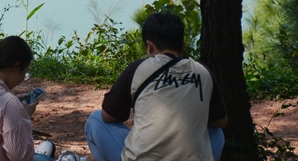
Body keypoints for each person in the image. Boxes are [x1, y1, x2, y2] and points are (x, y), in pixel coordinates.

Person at [84, 12, 227, 161]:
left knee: (95, 120)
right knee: (216, 133)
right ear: (183, 47)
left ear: (150, 46)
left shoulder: (138, 68)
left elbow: (107, 116)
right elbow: (221, 121)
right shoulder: (202, 72)